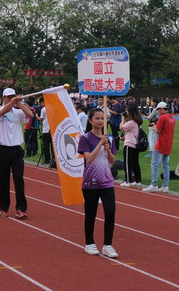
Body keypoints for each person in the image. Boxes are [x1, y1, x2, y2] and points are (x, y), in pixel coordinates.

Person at [77, 108, 119, 258]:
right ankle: (89, 242)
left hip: (107, 181)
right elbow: (88, 158)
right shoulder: (85, 138)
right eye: (97, 118)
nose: (100, 121)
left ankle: (108, 244)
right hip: (90, 182)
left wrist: (108, 150)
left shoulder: (110, 139)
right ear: (90, 121)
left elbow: (112, 161)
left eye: (102, 118)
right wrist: (100, 144)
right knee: (91, 213)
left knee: (110, 212)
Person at [0, 88, 33, 220]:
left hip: (16, 150)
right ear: (3, 98)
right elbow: (4, 110)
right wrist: (12, 103)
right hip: (3, 149)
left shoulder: (18, 112)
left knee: (18, 179)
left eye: (12, 96)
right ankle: (4, 208)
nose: (10, 99)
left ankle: (21, 208)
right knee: (4, 180)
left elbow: (30, 115)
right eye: (8, 97)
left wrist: (19, 103)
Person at [143, 102, 176, 193]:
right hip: (169, 144)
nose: (158, 111)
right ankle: (165, 185)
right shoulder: (172, 118)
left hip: (161, 143)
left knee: (155, 164)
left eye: (158, 109)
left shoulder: (162, 117)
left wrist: (154, 125)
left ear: (162, 109)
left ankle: (154, 184)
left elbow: (157, 131)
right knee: (165, 165)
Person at [119, 104, 142, 187]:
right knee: (135, 163)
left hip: (129, 144)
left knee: (127, 163)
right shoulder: (136, 122)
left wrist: (123, 119)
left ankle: (128, 181)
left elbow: (121, 127)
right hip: (135, 144)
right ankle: (138, 180)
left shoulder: (131, 122)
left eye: (127, 111)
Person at [38, 100, 55, 168]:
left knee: (46, 146)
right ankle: (54, 159)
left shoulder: (44, 109)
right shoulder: (53, 107)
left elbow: (41, 119)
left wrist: (37, 116)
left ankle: (47, 160)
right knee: (53, 146)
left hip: (46, 129)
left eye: (41, 102)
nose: (41, 104)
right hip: (53, 129)